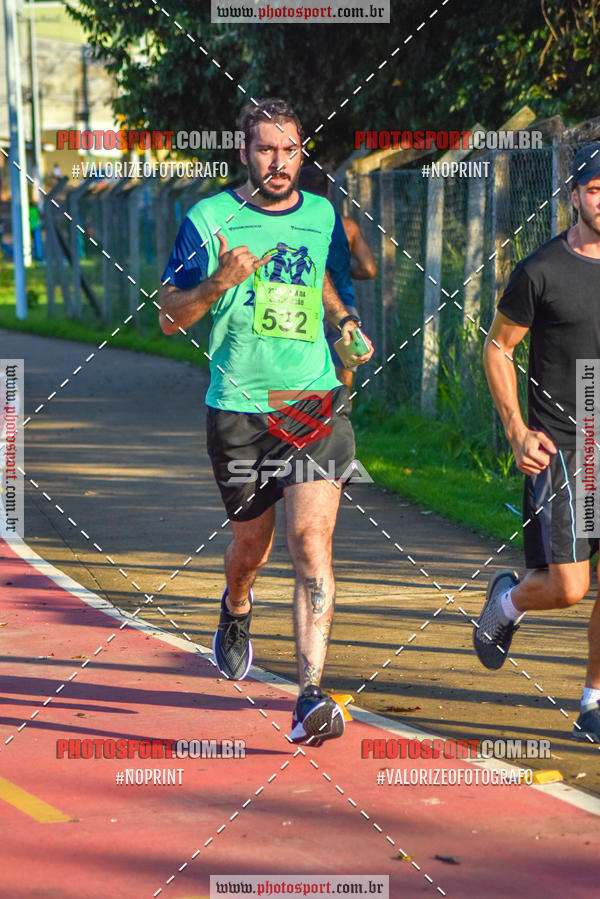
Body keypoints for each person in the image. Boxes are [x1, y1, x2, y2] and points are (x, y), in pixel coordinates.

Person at [159, 98, 373, 746]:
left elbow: (321, 279)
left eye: (290, 150)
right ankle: (236, 605)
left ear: (302, 152)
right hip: (238, 408)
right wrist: (215, 284)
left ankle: (309, 693)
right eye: (265, 149)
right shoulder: (207, 218)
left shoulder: (318, 213)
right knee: (251, 547)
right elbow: (169, 315)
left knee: (312, 544)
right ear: (242, 149)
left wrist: (343, 323)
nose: (279, 162)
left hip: (310, 399)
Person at [473, 143, 600, 741]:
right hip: (570, 445)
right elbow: (498, 349)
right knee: (569, 588)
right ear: (574, 196)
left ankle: (593, 701)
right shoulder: (541, 270)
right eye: (597, 189)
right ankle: (507, 604)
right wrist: (516, 431)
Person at [298, 165, 377, 390]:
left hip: (303, 304)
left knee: (304, 374)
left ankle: (306, 418)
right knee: (346, 365)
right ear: (329, 192)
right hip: (344, 305)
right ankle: (340, 414)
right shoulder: (348, 226)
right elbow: (369, 269)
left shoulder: (294, 226)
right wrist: (342, 272)